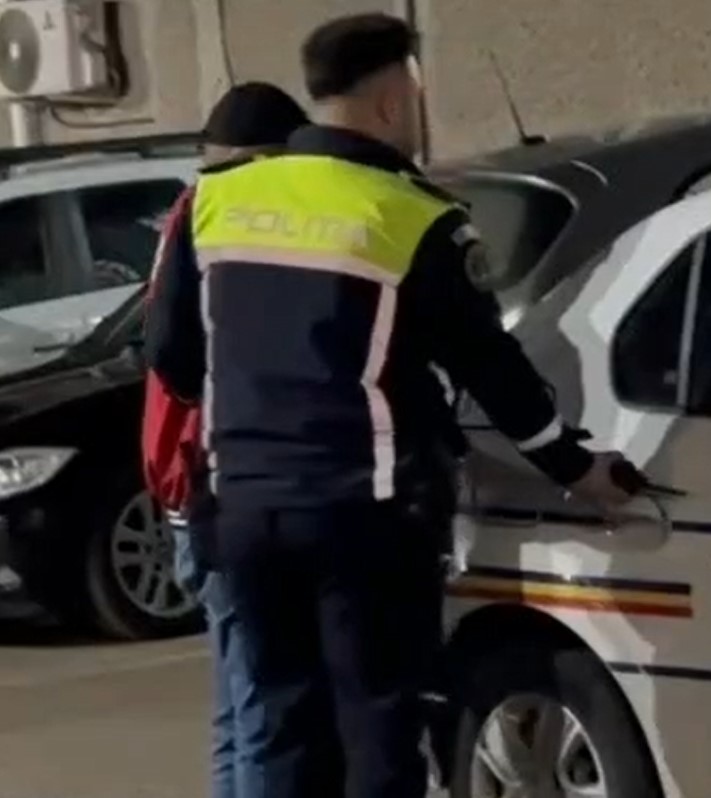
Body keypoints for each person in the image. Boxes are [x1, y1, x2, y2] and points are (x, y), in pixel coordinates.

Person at [143, 12, 635, 798]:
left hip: (243, 511)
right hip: (361, 517)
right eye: (415, 94)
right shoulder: (412, 215)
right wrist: (576, 467)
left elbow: (169, 353)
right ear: (389, 102)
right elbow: (492, 369)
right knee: (378, 729)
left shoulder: (217, 200)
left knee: (284, 728)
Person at [142, 80, 319, 798]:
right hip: (221, 479)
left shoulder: (194, 214)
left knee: (236, 705)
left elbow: (166, 351)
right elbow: (176, 355)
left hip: (189, 483)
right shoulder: (229, 218)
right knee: (261, 710)